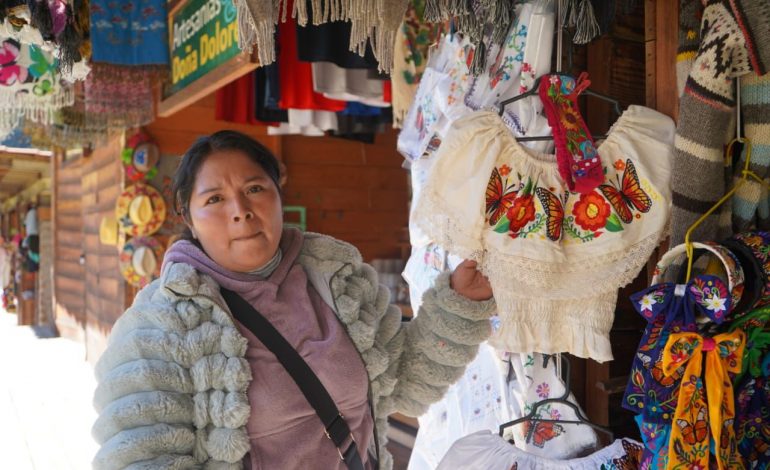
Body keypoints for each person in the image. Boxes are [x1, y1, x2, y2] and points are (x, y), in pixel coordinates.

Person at [91, 130, 496, 469]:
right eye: (214, 199)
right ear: (188, 217)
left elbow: (403, 382)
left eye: (254, 189)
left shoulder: (336, 279)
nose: (241, 210)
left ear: (278, 193)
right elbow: (141, 458)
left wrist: (459, 303)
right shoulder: (159, 326)